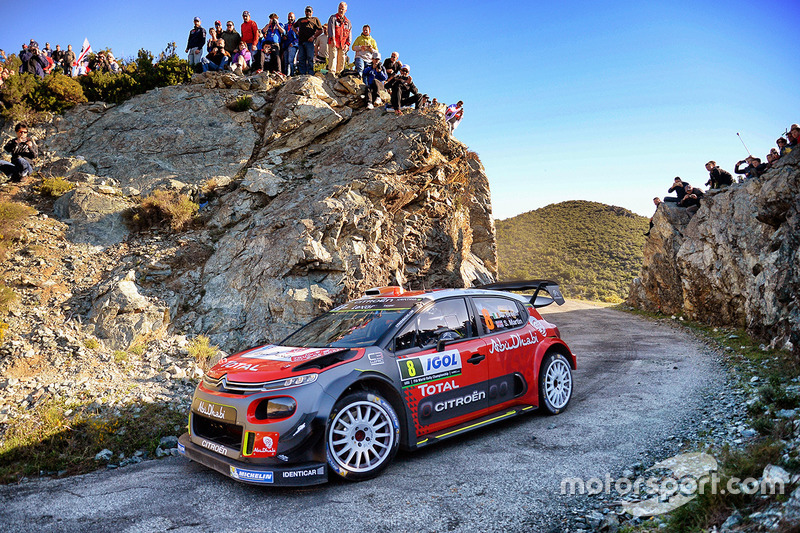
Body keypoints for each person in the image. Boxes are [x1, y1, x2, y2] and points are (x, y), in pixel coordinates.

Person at [295, 6, 323, 75]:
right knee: (301, 58)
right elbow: (293, 26)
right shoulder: (300, 20)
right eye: (307, 11)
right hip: (301, 41)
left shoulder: (315, 19)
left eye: (309, 11)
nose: (308, 12)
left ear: (312, 12)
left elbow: (320, 30)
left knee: (310, 58)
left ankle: (310, 73)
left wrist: (313, 37)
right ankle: (302, 73)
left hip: (309, 42)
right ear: (305, 12)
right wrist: (297, 32)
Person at [327, 2, 352, 76]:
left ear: (345, 10)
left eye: (342, 9)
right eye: (339, 8)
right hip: (334, 42)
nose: (341, 10)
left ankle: (339, 74)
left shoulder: (348, 22)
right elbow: (331, 29)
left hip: (343, 44)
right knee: (333, 57)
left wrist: (347, 44)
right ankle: (331, 74)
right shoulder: (333, 18)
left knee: (341, 59)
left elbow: (349, 35)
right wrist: (333, 39)